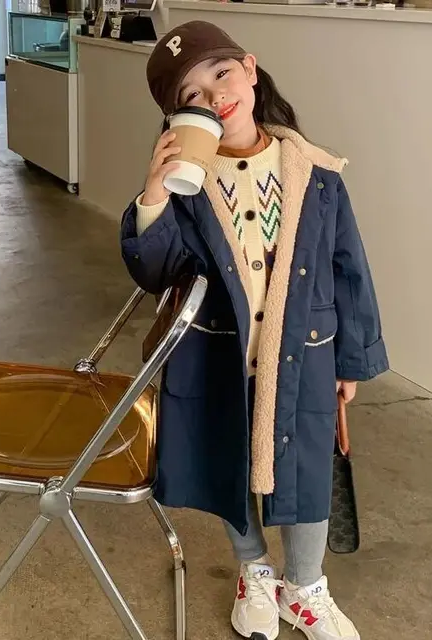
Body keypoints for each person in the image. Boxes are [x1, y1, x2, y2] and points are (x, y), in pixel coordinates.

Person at [120, 21, 388, 640]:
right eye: (191, 95)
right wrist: (154, 193)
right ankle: (254, 571)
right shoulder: (186, 187)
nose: (214, 96)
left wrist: (351, 361)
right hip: (218, 358)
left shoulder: (316, 173)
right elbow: (155, 269)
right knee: (229, 461)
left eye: (221, 74)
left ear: (249, 68)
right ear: (175, 118)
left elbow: (349, 269)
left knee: (309, 468)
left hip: (306, 355)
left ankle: (306, 587)